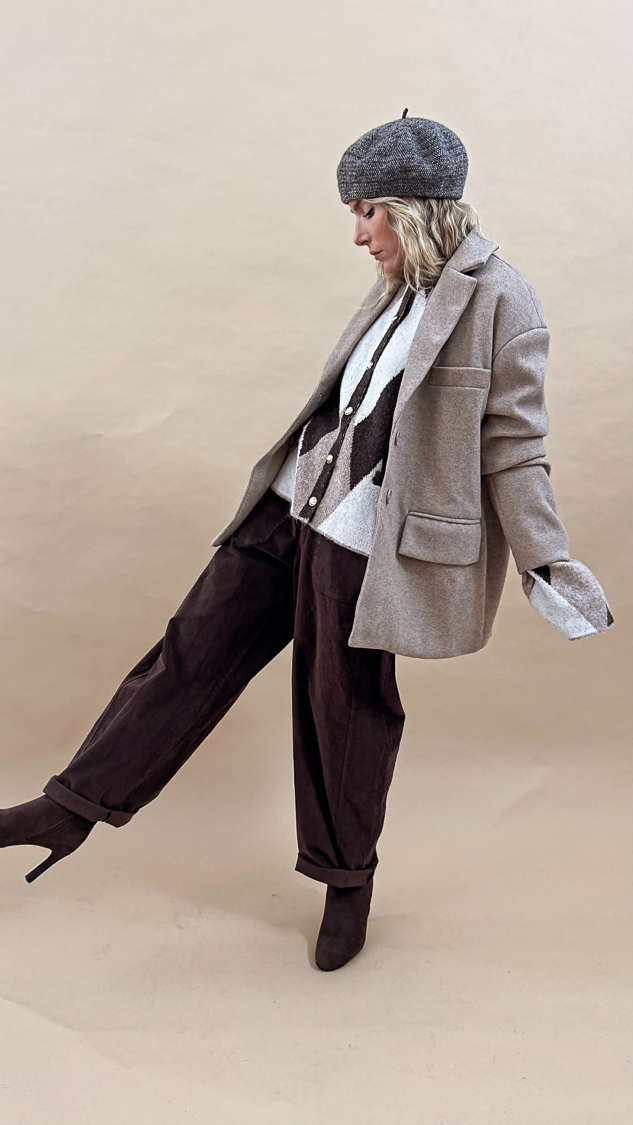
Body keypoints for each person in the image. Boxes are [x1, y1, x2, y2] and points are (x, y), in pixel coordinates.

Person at [0, 112, 613, 971]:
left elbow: (511, 444)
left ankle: (344, 880)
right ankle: (70, 808)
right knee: (188, 652)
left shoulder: (501, 300)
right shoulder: (398, 284)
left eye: (367, 211)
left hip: (366, 543)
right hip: (290, 505)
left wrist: (545, 559)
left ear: (414, 209)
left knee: (342, 709)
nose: (357, 233)